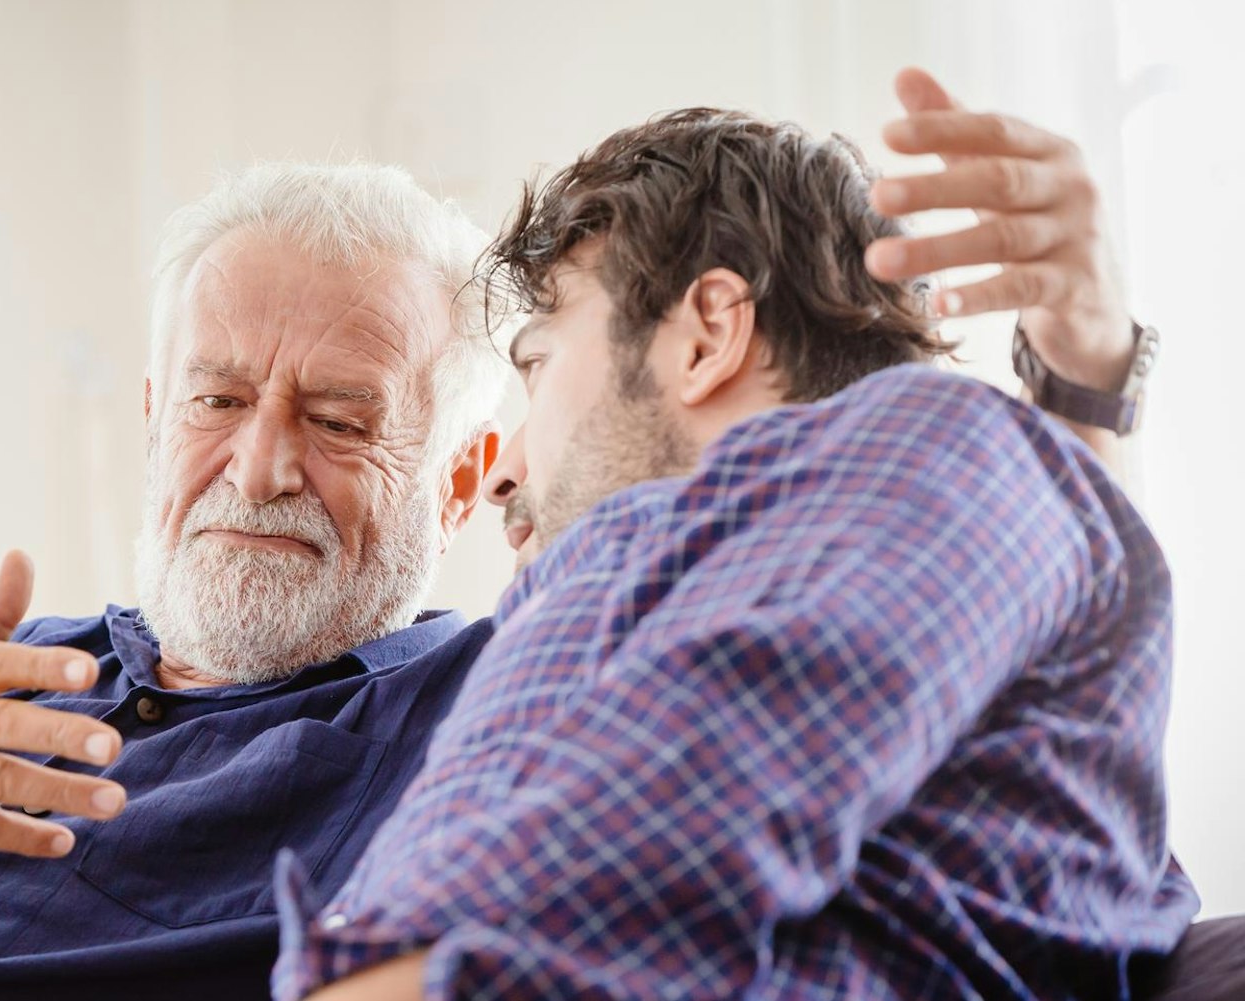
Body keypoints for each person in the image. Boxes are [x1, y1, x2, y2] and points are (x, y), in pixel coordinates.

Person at [0, 70, 1156, 1001]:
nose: (258, 461)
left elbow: (967, 571)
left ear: (462, 476)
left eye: (338, 419)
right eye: (213, 398)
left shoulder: (516, 669)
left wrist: (1073, 391)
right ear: (148, 412)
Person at [280, 69, 1196, 1001]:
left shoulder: (935, 451)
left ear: (708, 332)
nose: (503, 470)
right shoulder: (682, 591)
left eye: (540, 364)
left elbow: (629, 871)